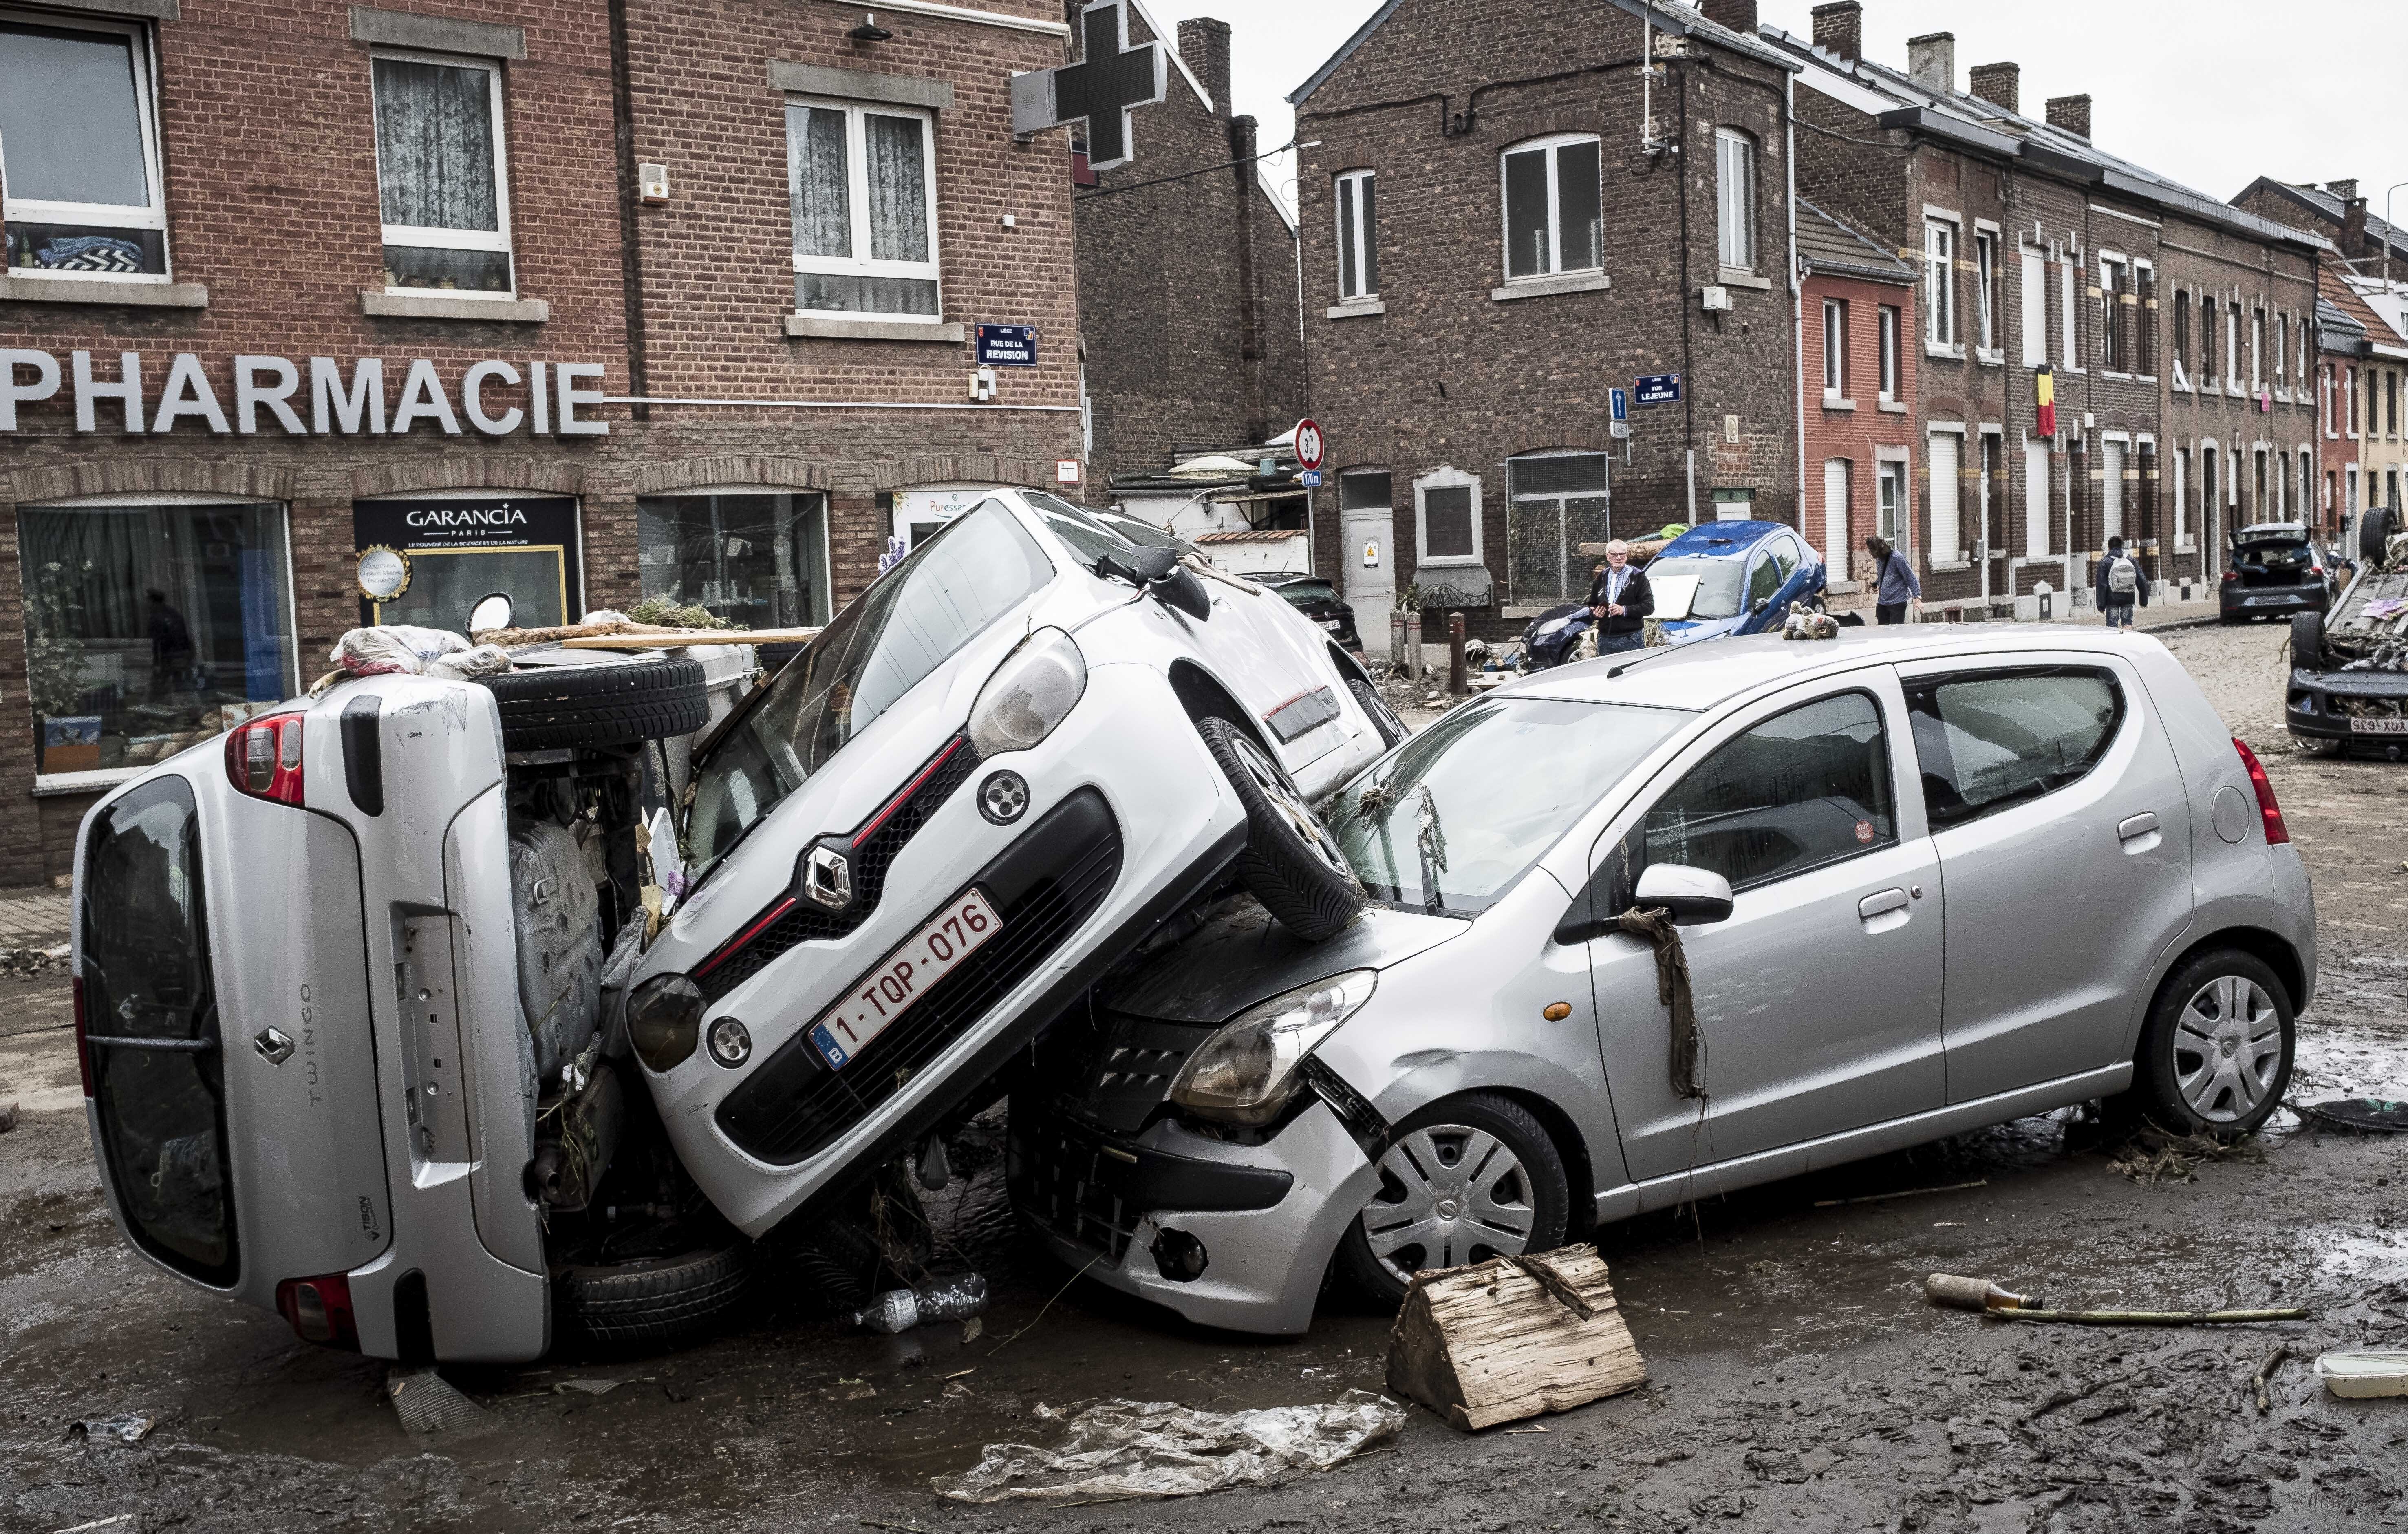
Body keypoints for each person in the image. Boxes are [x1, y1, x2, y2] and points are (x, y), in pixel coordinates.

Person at [1587, 539, 1654, 654]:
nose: (1619, 558)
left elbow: (1649, 607)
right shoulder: (1601, 577)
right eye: (1614, 555)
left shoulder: (1638, 577)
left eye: (1622, 554)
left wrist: (1624, 610)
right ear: (1608, 557)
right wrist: (1595, 614)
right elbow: (1592, 604)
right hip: (1605, 639)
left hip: (1631, 639)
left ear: (1627, 556)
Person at [2095, 536, 2148, 630]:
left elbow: (2102, 585)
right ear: (2122, 546)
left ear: (2109, 547)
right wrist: (2143, 601)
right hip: (2128, 597)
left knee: (2112, 625)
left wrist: (2101, 606)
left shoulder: (2105, 562)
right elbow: (2142, 579)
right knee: (2127, 623)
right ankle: (2127, 642)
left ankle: (2115, 644)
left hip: (2112, 599)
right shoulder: (2130, 560)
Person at [1866, 536, 1919, 625]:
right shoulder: (1879, 559)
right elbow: (1886, 576)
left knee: (1895, 632)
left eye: (1872, 551)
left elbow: (1910, 577)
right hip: (1883, 602)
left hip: (1898, 602)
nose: (1872, 554)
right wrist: (1877, 584)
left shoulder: (1897, 557)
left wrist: (1917, 597)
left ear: (1879, 549)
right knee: (1883, 632)